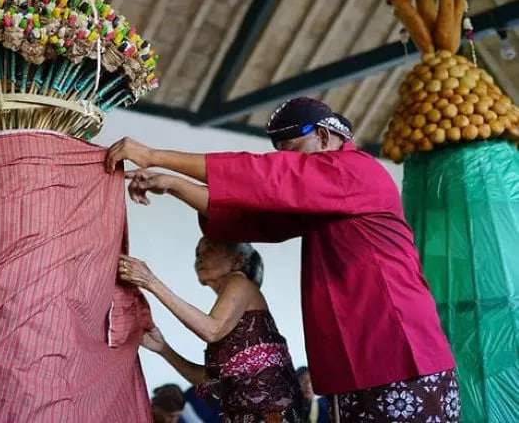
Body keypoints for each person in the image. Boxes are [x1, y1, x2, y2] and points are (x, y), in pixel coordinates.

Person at [105, 96, 460, 422]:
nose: (289, 162)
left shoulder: (355, 170)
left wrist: (154, 156)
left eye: (293, 152)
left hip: (398, 353)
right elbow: (252, 217)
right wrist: (174, 185)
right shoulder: (322, 197)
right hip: (353, 364)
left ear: (323, 136)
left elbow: (270, 177)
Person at [120, 241, 301, 422]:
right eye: (197, 253)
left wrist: (151, 282)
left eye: (210, 250)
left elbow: (212, 330)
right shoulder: (231, 316)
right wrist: (164, 349)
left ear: (237, 261)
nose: (199, 258)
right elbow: (210, 381)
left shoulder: (240, 282)